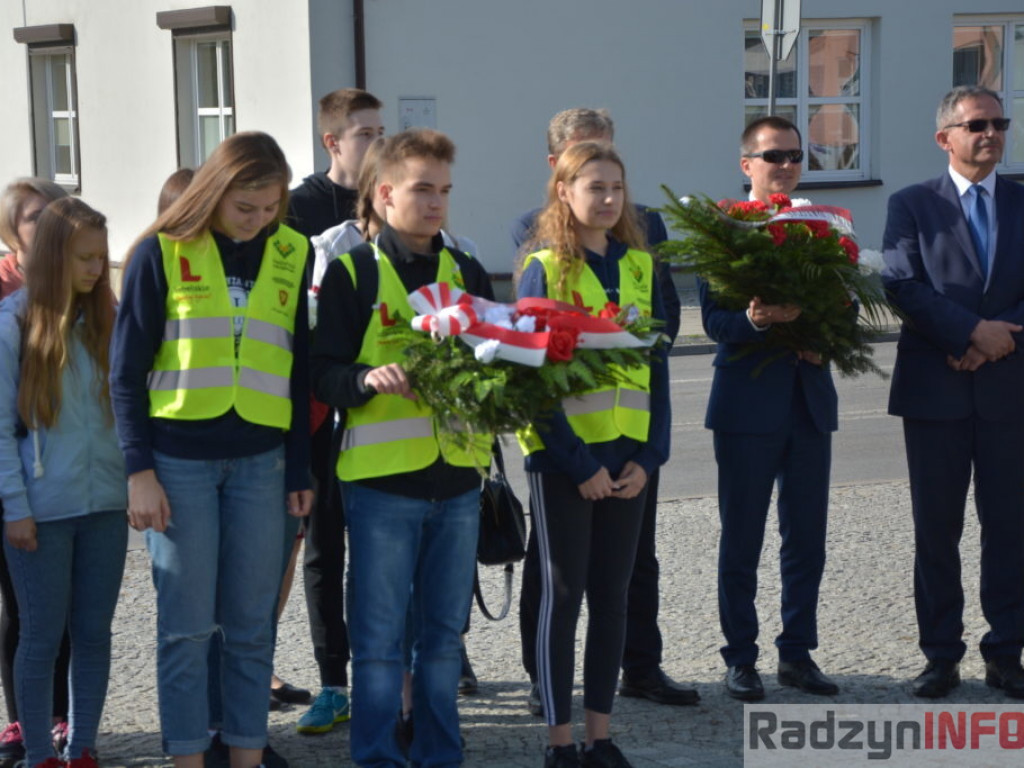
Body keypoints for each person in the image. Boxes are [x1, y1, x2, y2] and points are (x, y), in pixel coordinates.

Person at [110, 131, 313, 768]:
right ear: (214, 192)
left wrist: (299, 467)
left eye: (269, 209)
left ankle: (248, 757)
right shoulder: (160, 253)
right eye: (244, 208)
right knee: (186, 629)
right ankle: (189, 760)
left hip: (263, 461)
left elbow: (298, 367)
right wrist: (138, 470)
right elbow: (124, 374)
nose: (257, 223)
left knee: (252, 629)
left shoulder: (294, 249)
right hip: (178, 463)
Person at [312, 128, 492, 768]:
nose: (437, 202)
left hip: (459, 484)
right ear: (385, 195)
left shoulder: (465, 268)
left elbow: (493, 361)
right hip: (383, 486)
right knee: (381, 642)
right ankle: (379, 757)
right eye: (422, 189)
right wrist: (364, 380)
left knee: (444, 640)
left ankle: (442, 753)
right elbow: (321, 371)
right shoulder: (354, 273)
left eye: (444, 190)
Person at [512, 108, 691, 715]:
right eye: (596, 187)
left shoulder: (639, 263)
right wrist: (578, 462)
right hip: (568, 461)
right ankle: (558, 721)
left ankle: (599, 730)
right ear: (563, 191)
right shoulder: (543, 268)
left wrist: (652, 454)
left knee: (613, 597)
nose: (610, 198)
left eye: (617, 187)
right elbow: (531, 382)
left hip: (629, 457)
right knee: (565, 593)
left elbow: (657, 365)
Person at [882, 85, 1024, 699]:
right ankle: (940, 655)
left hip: (1010, 387)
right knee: (936, 530)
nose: (990, 133)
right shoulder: (912, 203)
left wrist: (998, 338)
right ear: (946, 138)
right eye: (976, 125)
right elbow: (901, 283)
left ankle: (1006, 653)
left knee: (1011, 528)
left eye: (999, 122)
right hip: (935, 390)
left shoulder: (1023, 201)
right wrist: (970, 331)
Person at [701, 115, 840, 702]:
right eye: (772, 156)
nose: (784, 166)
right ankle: (741, 658)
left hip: (808, 398)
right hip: (746, 405)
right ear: (746, 166)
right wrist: (757, 321)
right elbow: (714, 322)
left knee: (806, 536)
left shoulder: (823, 225)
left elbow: (846, 308)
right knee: (744, 537)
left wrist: (821, 336)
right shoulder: (723, 229)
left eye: (793, 156)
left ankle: (797, 653)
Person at [0, 197, 126, 768]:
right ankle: (35, 755)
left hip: (105, 505)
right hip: (39, 513)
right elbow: (2, 432)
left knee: (94, 635)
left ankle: (81, 749)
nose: (97, 269)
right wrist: (15, 508)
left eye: (101, 257)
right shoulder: (13, 326)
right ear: (51, 257)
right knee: (41, 637)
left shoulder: (109, 322)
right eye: (84, 258)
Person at [287, 87, 384, 735]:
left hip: (382, 407)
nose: (378, 142)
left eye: (383, 131)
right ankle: (331, 681)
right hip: (320, 405)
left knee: (387, 545)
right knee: (325, 549)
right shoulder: (298, 211)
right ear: (334, 142)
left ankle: (394, 672)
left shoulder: (398, 199)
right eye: (366, 133)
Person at [0, 177, 72, 766]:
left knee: (64, 603)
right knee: (21, 605)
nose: (45, 223)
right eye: (32, 216)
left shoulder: (86, 284)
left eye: (54, 214)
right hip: (10, 469)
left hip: (65, 473)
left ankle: (62, 716)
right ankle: (23, 721)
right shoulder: (4, 294)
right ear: (10, 232)